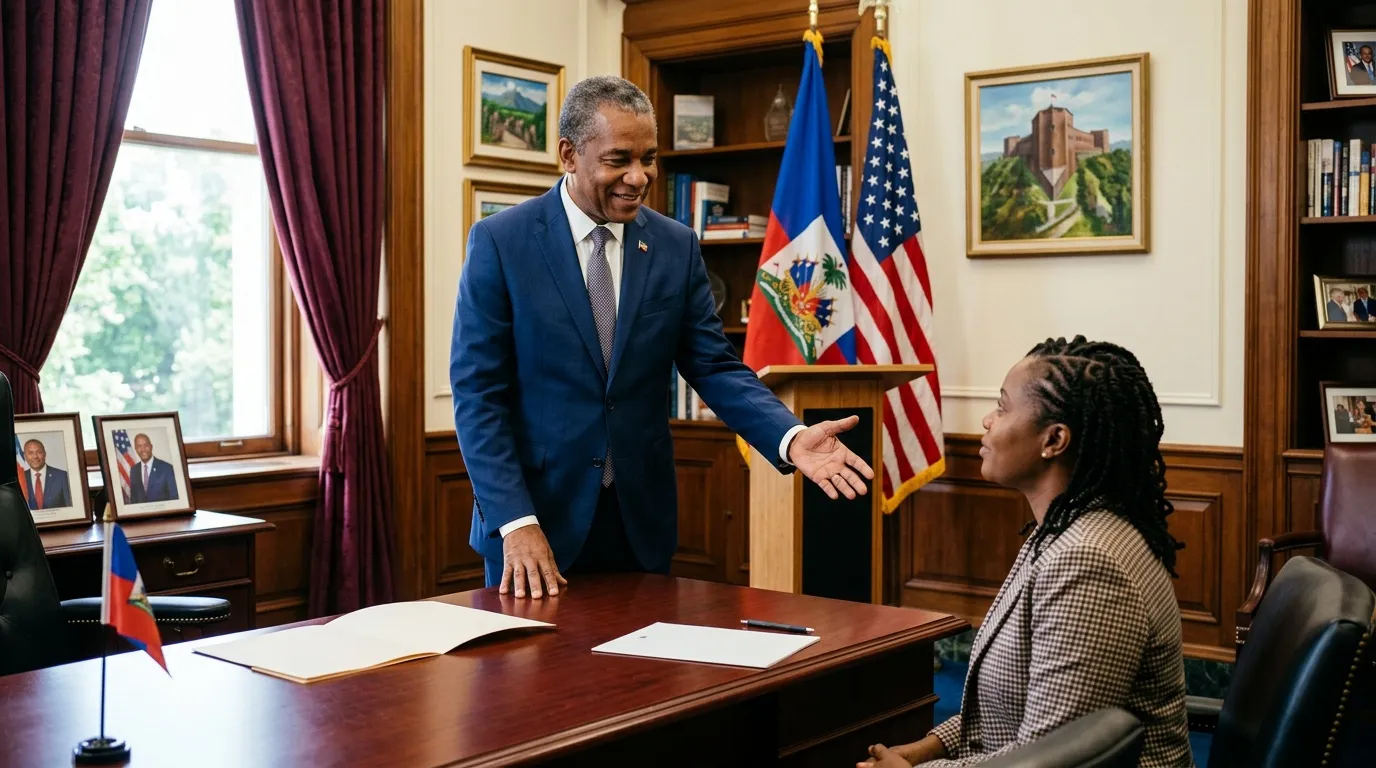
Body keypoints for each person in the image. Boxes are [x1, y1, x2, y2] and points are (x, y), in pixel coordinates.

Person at [450, 75, 873, 598]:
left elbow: (713, 365)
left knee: (642, 677)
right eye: (618, 159)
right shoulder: (500, 241)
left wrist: (788, 437)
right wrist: (514, 521)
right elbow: (478, 396)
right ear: (568, 154)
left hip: (638, 522)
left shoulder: (676, 245)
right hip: (534, 523)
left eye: (648, 157)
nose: (639, 175)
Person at [859, 336, 1192, 768]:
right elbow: (1007, 710)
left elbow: (1050, 759)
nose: (987, 420)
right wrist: (928, 747)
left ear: (1053, 440)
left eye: (1002, 407)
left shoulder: (1088, 562)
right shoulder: (1061, 529)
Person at [21, 438, 72, 510]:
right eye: (30, 453)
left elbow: (69, 506)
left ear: (44, 454)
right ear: (25, 456)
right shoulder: (20, 477)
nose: (35, 456)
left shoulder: (61, 476)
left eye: (39, 452)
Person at [128, 433, 178, 503]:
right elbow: (134, 499)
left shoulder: (167, 468)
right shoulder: (134, 470)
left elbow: (174, 498)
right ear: (136, 449)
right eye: (139, 446)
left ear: (151, 446)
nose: (143, 449)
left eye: (146, 445)